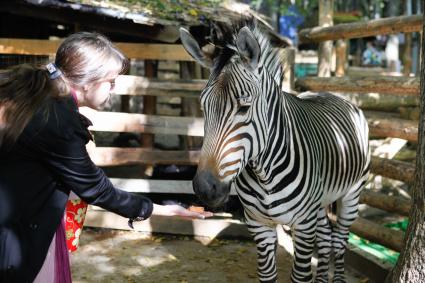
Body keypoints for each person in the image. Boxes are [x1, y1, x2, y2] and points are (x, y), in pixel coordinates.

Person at [0, 32, 212, 283]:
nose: (114, 89)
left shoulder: (38, 93)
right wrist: (161, 210)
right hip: (15, 229)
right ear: (88, 81)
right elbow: (96, 189)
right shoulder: (58, 121)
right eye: (111, 81)